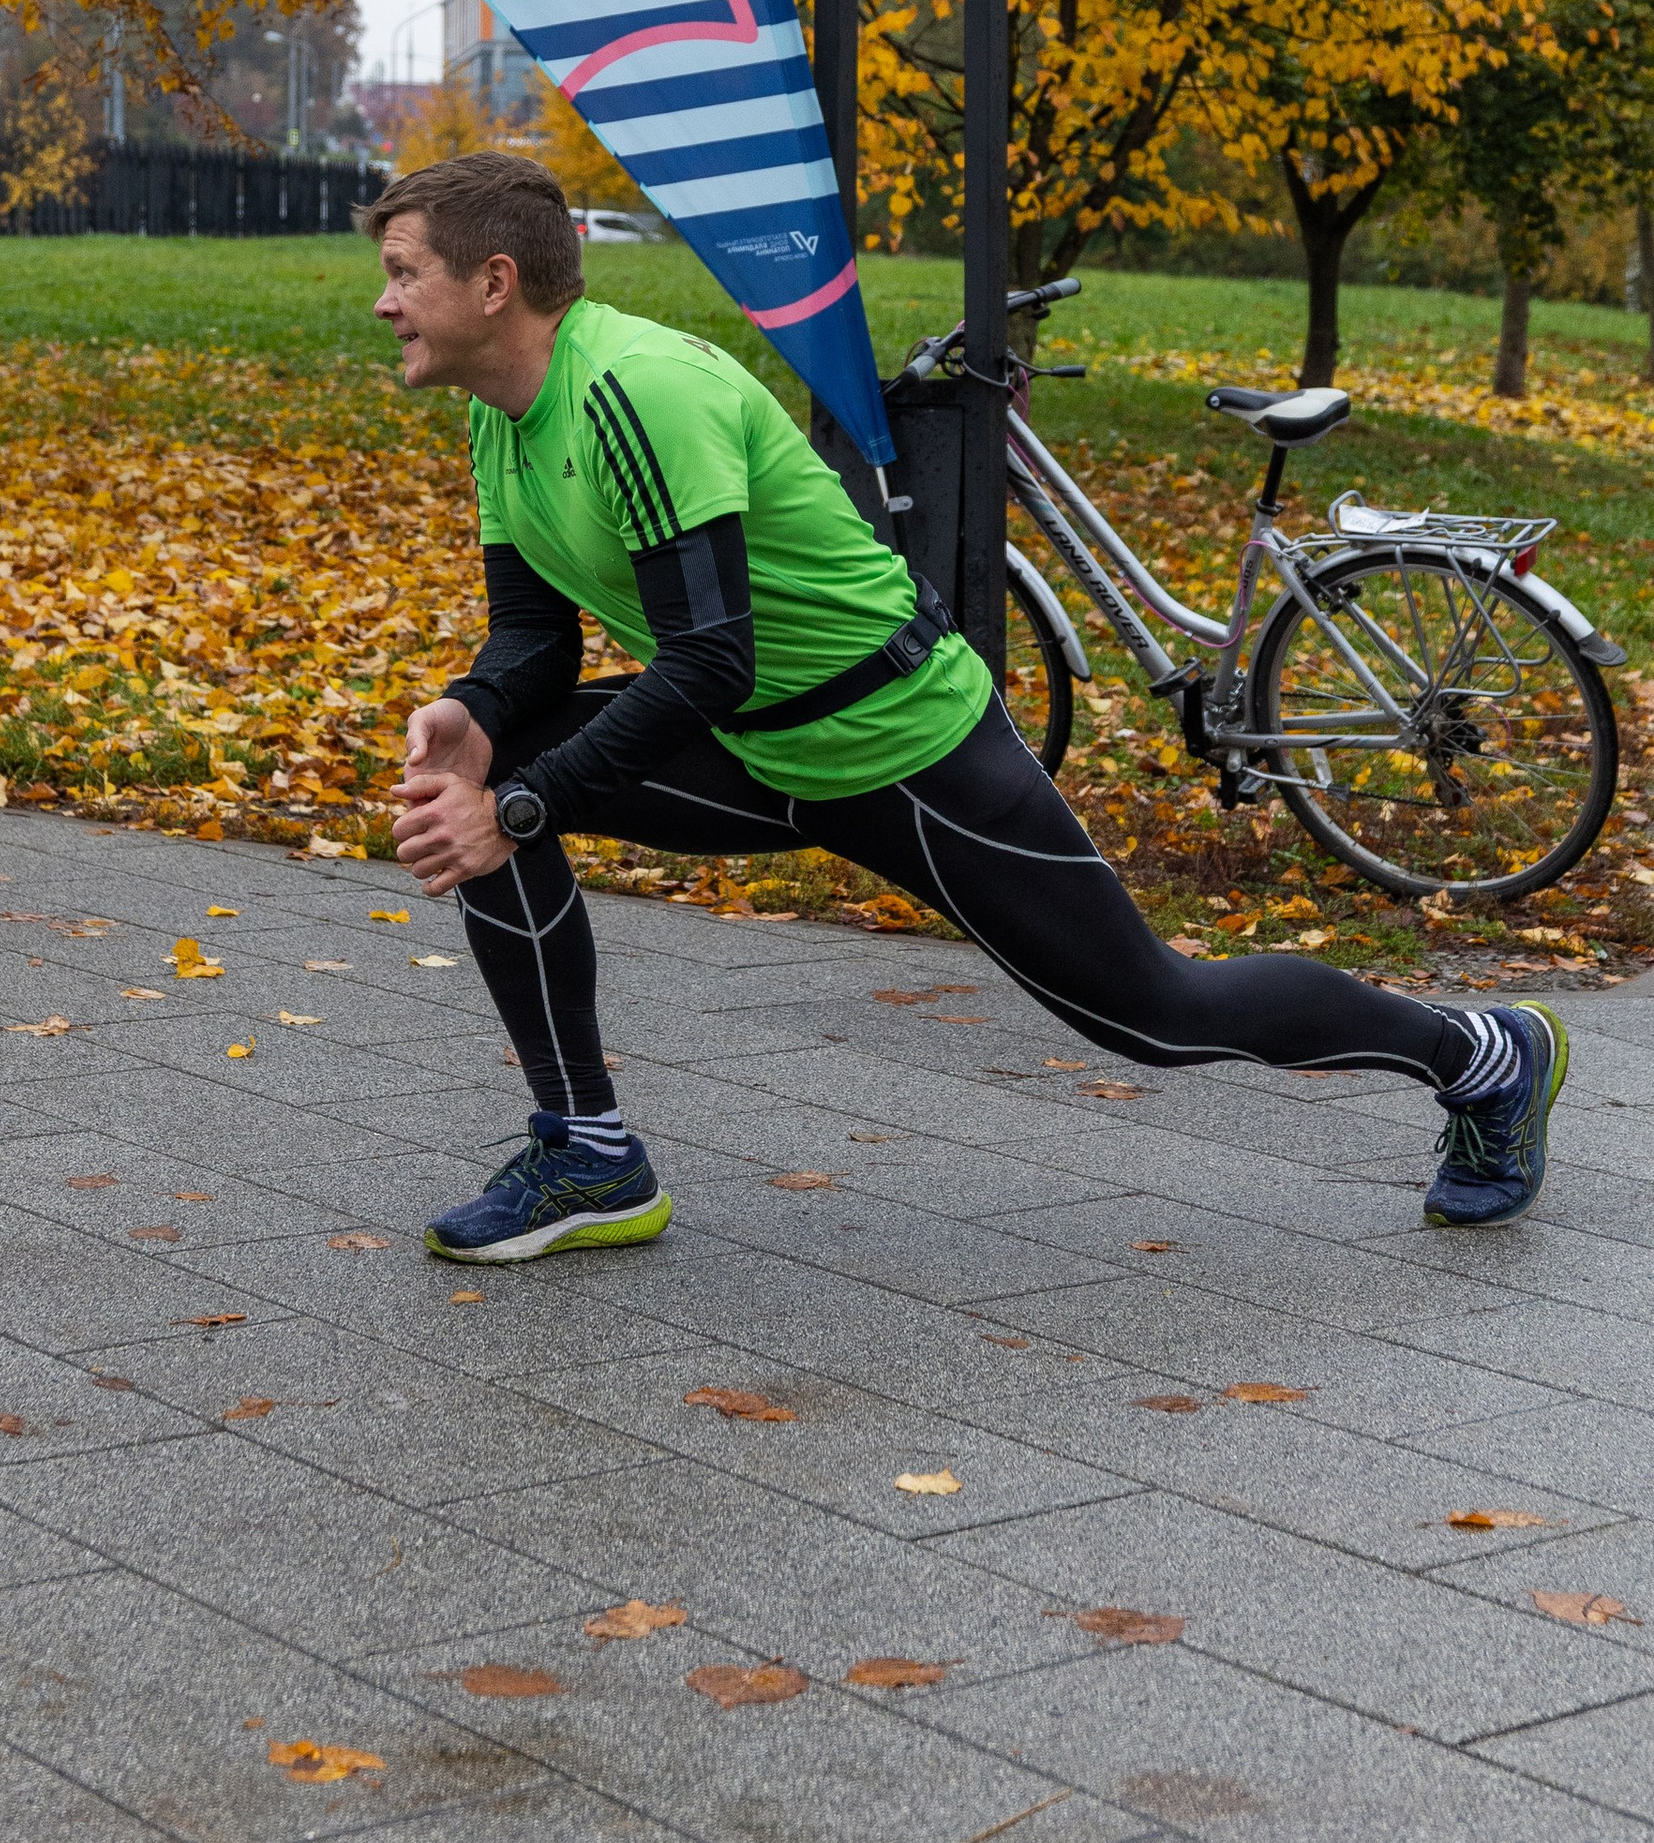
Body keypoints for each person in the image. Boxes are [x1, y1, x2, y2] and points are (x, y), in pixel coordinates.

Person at [369, 152, 1566, 1266]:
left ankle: (1481, 1053)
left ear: (494, 281)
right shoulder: (501, 410)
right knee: (482, 775)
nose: (386, 304)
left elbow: (705, 663)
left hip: (903, 749)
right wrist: (474, 711)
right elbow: (534, 634)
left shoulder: (636, 391)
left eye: (403, 273)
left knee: (1153, 1014)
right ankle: (589, 1157)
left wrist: (518, 806)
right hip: (756, 740)